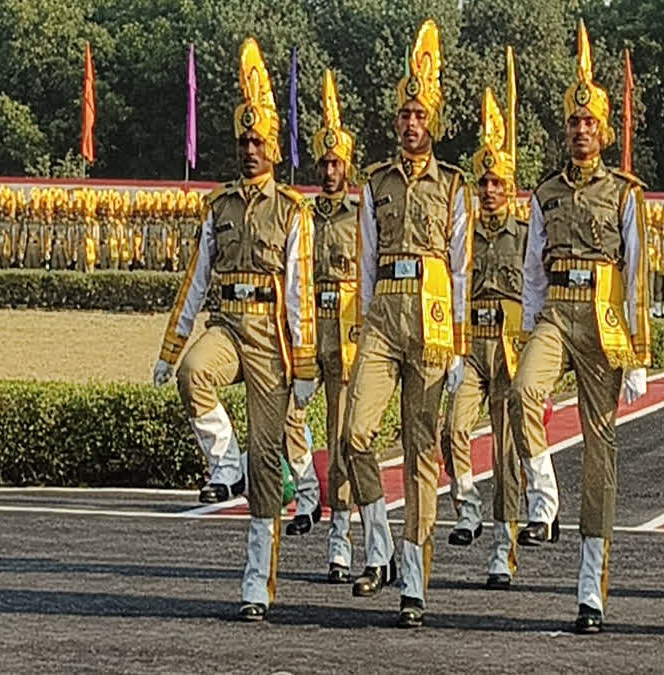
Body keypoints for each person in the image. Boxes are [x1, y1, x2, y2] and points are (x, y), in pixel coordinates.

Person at [151, 38, 318, 621]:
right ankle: (225, 466)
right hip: (226, 325)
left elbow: (299, 293)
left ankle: (257, 583)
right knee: (196, 373)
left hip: (272, 340)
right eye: (243, 140)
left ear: (274, 145)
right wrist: (172, 349)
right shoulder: (218, 206)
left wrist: (304, 365)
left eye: (259, 141)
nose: (250, 149)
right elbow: (196, 280)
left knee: (268, 466)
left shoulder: (294, 210)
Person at [510, 19, 650, 634]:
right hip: (555, 316)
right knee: (520, 393)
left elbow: (640, 271)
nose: (581, 130)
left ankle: (591, 586)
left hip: (602, 323)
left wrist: (639, 352)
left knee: (601, 451)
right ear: (565, 129)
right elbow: (533, 268)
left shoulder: (624, 193)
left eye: (591, 122)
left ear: (604, 128)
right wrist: (531, 323)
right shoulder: (545, 192)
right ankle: (546, 496)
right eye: (574, 122)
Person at [342, 20, 471, 628]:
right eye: (404, 114)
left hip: (434, 322)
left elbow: (464, 266)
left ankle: (414, 582)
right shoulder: (374, 182)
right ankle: (379, 540)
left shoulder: (454, 187)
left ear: (434, 121)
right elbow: (366, 261)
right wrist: (361, 323)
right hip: (383, 319)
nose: (410, 123)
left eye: (420, 114)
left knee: (422, 452)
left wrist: (463, 350)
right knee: (354, 435)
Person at [306, 69, 391, 582]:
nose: (330, 170)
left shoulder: (359, 215)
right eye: (324, 162)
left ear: (349, 165)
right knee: (289, 424)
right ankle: (301, 496)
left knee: (343, 444)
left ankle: (340, 543)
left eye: (337, 162)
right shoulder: (304, 215)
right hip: (307, 328)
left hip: (346, 334)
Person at [445, 82, 529, 589]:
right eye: (484, 183)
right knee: (454, 428)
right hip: (473, 344)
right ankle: (467, 507)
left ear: (511, 187)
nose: (490, 190)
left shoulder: (524, 234)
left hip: (511, 347)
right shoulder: (466, 234)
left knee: (505, 454)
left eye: (497, 183)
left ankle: (505, 546)